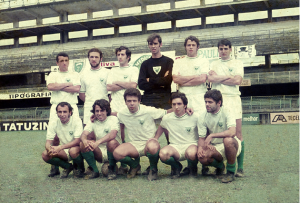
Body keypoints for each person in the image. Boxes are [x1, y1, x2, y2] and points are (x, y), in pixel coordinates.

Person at [113, 88, 171, 181]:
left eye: (134, 101)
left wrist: (185, 109)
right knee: (117, 153)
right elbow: (113, 114)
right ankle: (135, 166)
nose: (132, 103)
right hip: (134, 144)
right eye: (129, 101)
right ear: (125, 102)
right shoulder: (122, 113)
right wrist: (96, 115)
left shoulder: (148, 110)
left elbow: (167, 113)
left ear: (139, 101)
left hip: (150, 143)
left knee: (152, 147)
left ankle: (153, 169)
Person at [207, 39, 245, 177]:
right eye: (221, 49)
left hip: (233, 98)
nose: (223, 51)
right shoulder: (214, 63)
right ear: (218, 50)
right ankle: (221, 164)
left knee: (238, 134)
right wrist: (228, 77)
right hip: (219, 101)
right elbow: (211, 80)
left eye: (225, 48)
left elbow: (237, 81)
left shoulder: (237, 63)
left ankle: (240, 167)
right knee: (222, 131)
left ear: (230, 49)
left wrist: (218, 77)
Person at [106, 46, 139, 174]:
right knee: (118, 135)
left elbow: (133, 86)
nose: (120, 57)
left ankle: (133, 163)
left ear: (128, 56)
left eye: (122, 54)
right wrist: (125, 83)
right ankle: (122, 164)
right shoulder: (113, 70)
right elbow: (109, 86)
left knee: (131, 134)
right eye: (118, 54)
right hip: (115, 106)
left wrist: (118, 83)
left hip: (129, 106)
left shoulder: (133, 69)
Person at [197, 90, 241, 183]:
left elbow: (232, 132)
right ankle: (220, 166)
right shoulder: (202, 117)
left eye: (210, 102)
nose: (207, 104)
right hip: (216, 147)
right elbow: (201, 138)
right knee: (203, 158)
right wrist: (200, 148)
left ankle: (231, 172)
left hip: (232, 145)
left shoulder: (227, 112)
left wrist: (212, 135)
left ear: (219, 103)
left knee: (228, 140)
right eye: (206, 102)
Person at [155, 92, 199, 179]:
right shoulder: (167, 118)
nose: (176, 107)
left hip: (191, 145)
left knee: (191, 153)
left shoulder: (195, 117)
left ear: (185, 105)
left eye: (179, 104)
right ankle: (177, 166)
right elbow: (161, 127)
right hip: (175, 146)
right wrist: (155, 138)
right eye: (174, 104)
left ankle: (192, 168)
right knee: (163, 154)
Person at [80, 99, 122, 180]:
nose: (99, 113)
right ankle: (95, 171)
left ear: (107, 111)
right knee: (82, 144)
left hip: (115, 152)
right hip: (100, 152)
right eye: (97, 111)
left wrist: (97, 142)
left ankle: (112, 169)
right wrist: (85, 141)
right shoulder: (93, 121)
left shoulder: (113, 119)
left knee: (111, 142)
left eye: (102, 110)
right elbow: (84, 134)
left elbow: (112, 134)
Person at [41, 102, 84, 179]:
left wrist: (60, 147)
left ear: (70, 113)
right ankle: (68, 167)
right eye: (59, 112)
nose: (62, 114)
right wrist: (49, 149)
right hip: (64, 150)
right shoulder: (53, 122)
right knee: (45, 154)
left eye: (65, 111)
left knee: (73, 151)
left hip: (76, 148)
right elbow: (48, 141)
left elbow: (77, 141)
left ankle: (80, 168)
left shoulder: (77, 121)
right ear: (57, 113)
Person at [172, 35, 209, 114]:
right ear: (185, 47)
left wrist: (183, 81)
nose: (191, 47)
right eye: (188, 45)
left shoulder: (203, 60)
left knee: (201, 123)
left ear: (198, 47)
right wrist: (195, 77)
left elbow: (202, 79)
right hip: (184, 97)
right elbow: (175, 79)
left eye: (193, 45)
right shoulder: (178, 61)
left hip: (200, 97)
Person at [138, 33, 174, 109]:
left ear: (160, 44)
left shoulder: (169, 61)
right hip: (148, 100)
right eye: (151, 44)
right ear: (148, 45)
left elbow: (168, 81)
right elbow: (141, 84)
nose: (153, 46)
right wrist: (161, 83)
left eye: (155, 43)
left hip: (164, 99)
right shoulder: (145, 64)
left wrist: (149, 80)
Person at [79, 48, 110, 125]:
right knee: (89, 135)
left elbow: (111, 94)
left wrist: (104, 104)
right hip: (89, 109)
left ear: (101, 58)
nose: (94, 59)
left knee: (106, 133)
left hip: (104, 109)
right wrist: (91, 103)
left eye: (96, 57)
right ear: (88, 58)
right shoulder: (83, 74)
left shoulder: (108, 73)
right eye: (91, 57)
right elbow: (81, 94)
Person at [47, 52, 80, 122]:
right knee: (54, 130)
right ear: (57, 63)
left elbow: (77, 89)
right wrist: (68, 84)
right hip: (56, 106)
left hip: (72, 105)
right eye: (61, 61)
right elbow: (50, 87)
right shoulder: (53, 74)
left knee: (74, 130)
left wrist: (58, 86)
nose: (64, 63)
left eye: (66, 60)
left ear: (69, 62)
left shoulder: (75, 74)